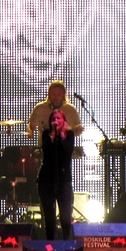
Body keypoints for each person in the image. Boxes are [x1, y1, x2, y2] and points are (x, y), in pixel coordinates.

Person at [37, 109, 75, 240]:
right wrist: (53, 135)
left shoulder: (70, 134)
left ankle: (66, 243)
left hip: (64, 180)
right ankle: (50, 245)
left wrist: (62, 136)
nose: (55, 121)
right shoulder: (47, 134)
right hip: (46, 180)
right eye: (53, 119)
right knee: (49, 217)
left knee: (65, 216)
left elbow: (67, 151)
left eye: (58, 118)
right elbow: (46, 151)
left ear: (64, 121)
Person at [26, 80, 84, 145]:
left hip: (65, 150)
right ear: (49, 94)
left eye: (59, 94)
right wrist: (30, 132)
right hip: (45, 149)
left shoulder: (71, 109)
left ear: (63, 95)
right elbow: (31, 126)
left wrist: (77, 130)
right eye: (53, 94)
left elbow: (77, 131)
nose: (56, 97)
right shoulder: (40, 108)